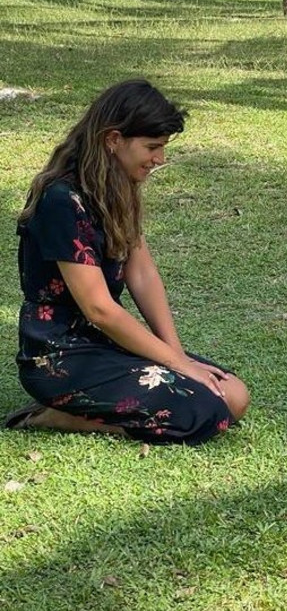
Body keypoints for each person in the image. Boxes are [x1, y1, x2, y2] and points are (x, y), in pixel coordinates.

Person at [4, 79, 249, 444]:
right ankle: (58, 417)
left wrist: (176, 353)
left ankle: (86, 408)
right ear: (113, 139)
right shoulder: (61, 201)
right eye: (152, 147)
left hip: (105, 343)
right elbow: (99, 309)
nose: (160, 159)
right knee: (205, 411)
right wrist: (178, 365)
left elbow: (142, 274)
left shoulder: (118, 187)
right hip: (60, 357)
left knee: (233, 394)